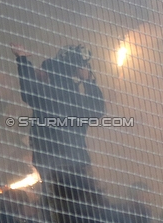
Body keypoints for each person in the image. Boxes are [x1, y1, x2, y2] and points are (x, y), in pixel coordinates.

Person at [11, 43, 104, 182]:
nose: (38, 71)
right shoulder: (76, 98)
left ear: (50, 74)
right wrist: (89, 81)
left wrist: (22, 60)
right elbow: (97, 109)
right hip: (78, 163)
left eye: (42, 69)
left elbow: (28, 90)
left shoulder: (46, 96)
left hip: (51, 166)